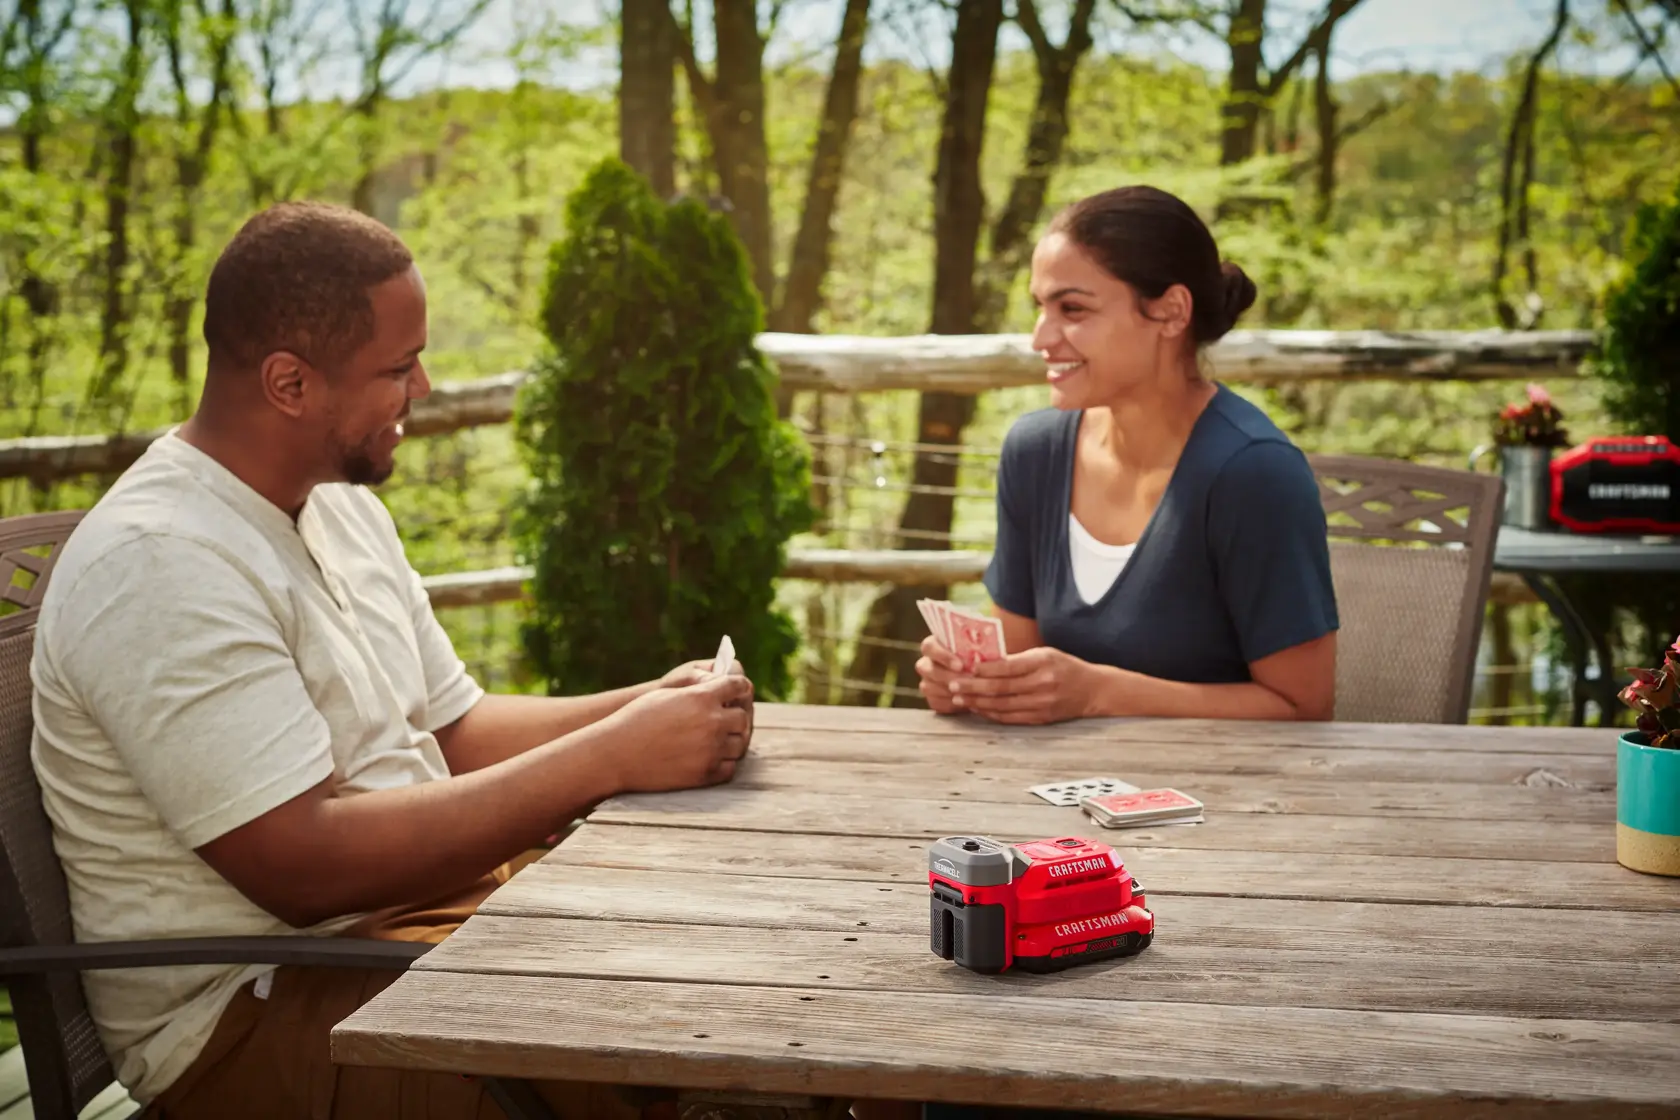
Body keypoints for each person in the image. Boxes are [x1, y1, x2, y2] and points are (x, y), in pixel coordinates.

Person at [29, 200, 754, 1119]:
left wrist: (651, 705)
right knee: (688, 1030)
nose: (424, 389)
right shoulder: (161, 562)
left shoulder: (338, 504)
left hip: (413, 931)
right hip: (264, 1015)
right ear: (290, 383)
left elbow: (457, 730)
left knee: (735, 938)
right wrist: (612, 756)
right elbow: (304, 870)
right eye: (398, 368)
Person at [914, 185, 1339, 725]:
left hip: (1228, 798)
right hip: (1049, 790)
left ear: (1170, 312)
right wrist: (972, 682)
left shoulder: (1253, 472)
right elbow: (1021, 662)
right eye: (1039, 307)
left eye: (1072, 308)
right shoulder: (1035, 454)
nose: (1040, 337)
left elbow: (1305, 708)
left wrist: (1097, 693)